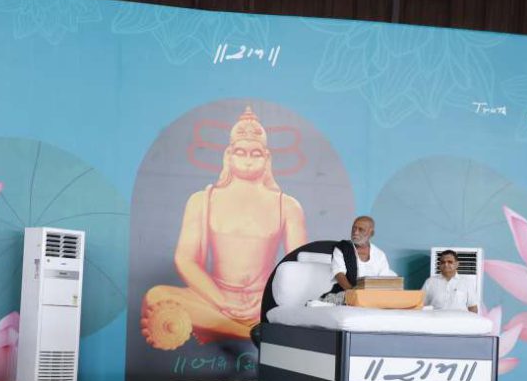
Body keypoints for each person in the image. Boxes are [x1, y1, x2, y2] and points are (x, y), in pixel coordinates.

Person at [141, 107, 307, 349]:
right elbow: (185, 259)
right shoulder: (202, 200)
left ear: (267, 158)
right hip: (214, 297)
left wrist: (267, 297)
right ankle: (249, 332)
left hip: (262, 301)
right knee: (156, 296)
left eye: (255, 154)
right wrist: (221, 301)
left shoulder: (287, 205)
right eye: (240, 152)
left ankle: (223, 327)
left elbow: (296, 267)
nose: (248, 159)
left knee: (303, 304)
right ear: (228, 155)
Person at [326, 215, 396, 296]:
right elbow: (339, 273)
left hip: (373, 295)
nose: (355, 232)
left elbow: (384, 279)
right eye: (354, 228)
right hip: (346, 293)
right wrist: (353, 293)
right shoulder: (342, 248)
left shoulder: (379, 255)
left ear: (371, 233)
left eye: (361, 229)